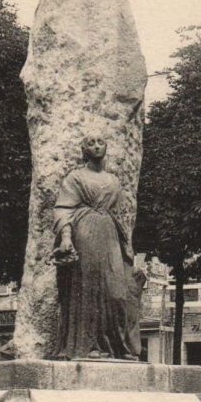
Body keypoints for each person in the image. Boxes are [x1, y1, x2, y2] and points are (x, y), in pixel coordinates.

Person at [52, 134, 143, 360]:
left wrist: (127, 249)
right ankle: (90, 345)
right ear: (83, 149)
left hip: (110, 234)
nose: (96, 146)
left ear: (106, 147)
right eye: (90, 143)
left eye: (100, 142)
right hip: (85, 232)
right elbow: (63, 209)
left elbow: (120, 214)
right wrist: (66, 238)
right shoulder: (75, 178)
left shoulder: (113, 181)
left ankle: (118, 346)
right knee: (89, 290)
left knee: (117, 293)